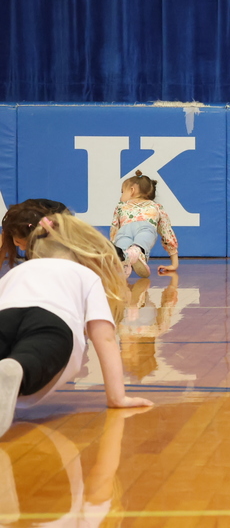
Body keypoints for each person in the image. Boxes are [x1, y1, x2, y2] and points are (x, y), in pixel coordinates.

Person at [0, 213, 153, 437]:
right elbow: (105, 339)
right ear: (81, 251)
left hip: (5, 316)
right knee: (33, 358)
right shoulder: (85, 275)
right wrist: (117, 397)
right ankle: (17, 368)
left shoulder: (17, 272)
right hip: (52, 322)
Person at [110, 170, 179, 278]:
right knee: (130, 243)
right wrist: (174, 263)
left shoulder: (122, 206)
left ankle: (134, 254)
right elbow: (167, 232)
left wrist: (113, 244)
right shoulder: (155, 206)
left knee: (132, 241)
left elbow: (115, 229)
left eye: (122, 192)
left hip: (136, 229)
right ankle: (127, 260)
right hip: (141, 229)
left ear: (132, 190)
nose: (121, 196)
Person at [0, 198, 69, 270]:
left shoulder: (59, 235)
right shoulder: (11, 225)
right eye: (17, 242)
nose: (22, 248)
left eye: (29, 245)